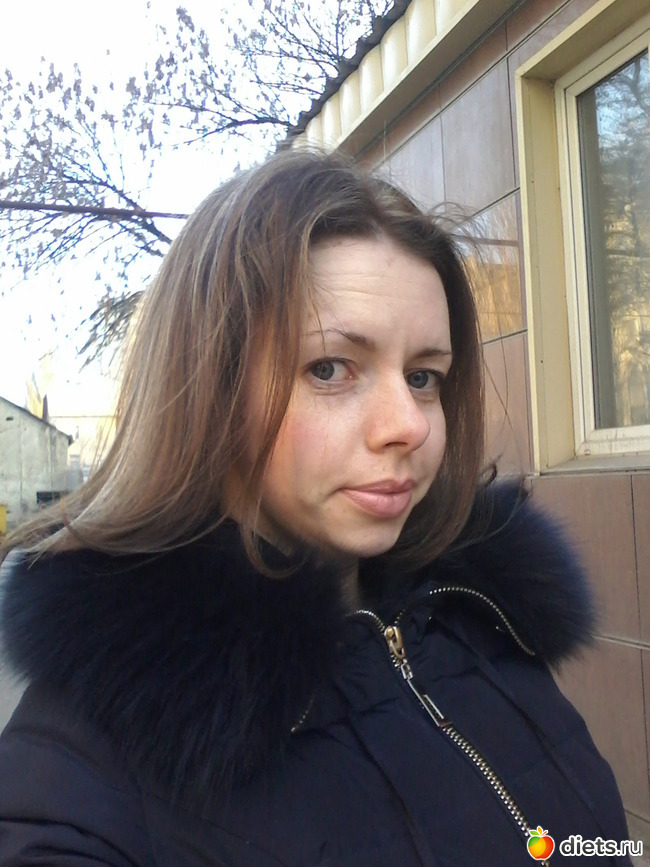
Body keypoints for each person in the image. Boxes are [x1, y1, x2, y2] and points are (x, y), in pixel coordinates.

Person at [0, 149, 631, 866]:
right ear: (209, 390)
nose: (409, 424)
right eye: (330, 368)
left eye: (424, 376)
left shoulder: (482, 621)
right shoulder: (80, 769)